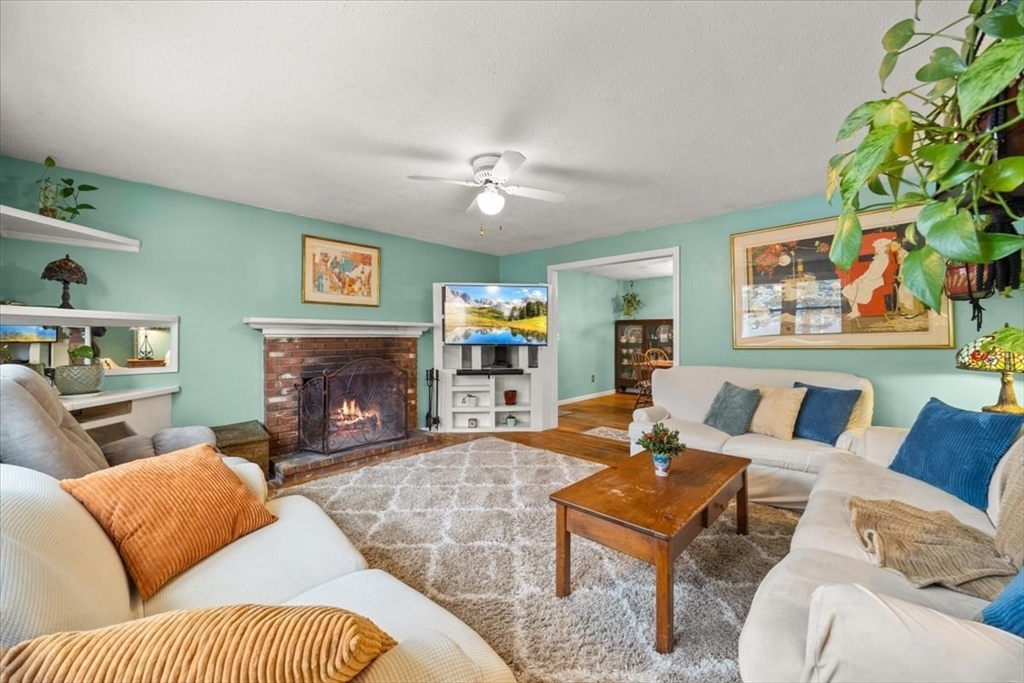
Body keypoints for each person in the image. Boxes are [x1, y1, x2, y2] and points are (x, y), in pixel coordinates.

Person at [841, 237, 893, 320]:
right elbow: (868, 272)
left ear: (885, 248)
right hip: (868, 279)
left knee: (850, 289)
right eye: (876, 247)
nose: (878, 249)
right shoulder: (877, 258)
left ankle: (856, 311)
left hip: (875, 281)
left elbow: (876, 275)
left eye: (880, 247)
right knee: (848, 288)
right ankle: (855, 311)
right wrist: (859, 279)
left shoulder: (884, 259)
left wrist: (862, 281)